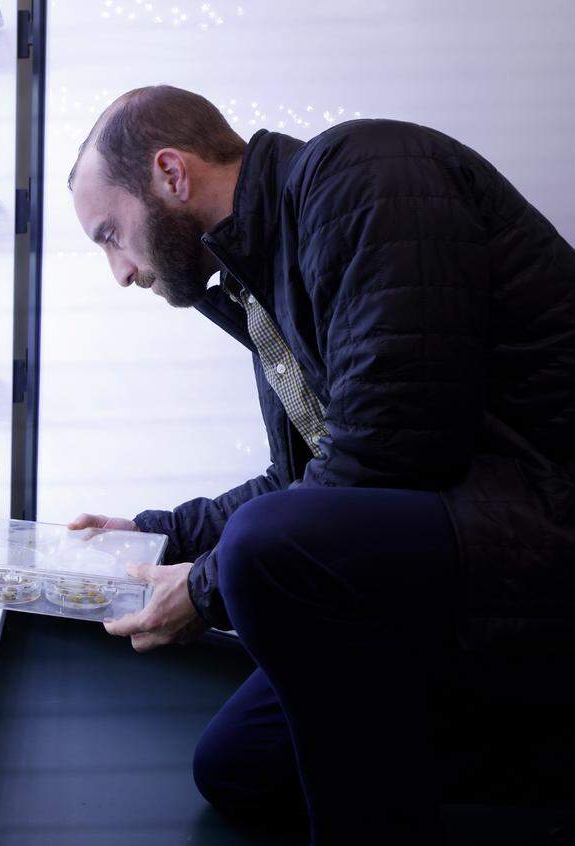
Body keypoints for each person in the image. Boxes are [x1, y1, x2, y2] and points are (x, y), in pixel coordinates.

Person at [66, 85, 575, 844]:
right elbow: (304, 476)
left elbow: (393, 448)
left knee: (267, 545)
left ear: (171, 173)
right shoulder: (263, 280)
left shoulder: (365, 174)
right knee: (237, 769)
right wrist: (160, 536)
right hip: (467, 530)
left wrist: (203, 589)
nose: (120, 271)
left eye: (111, 234)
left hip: (543, 517)